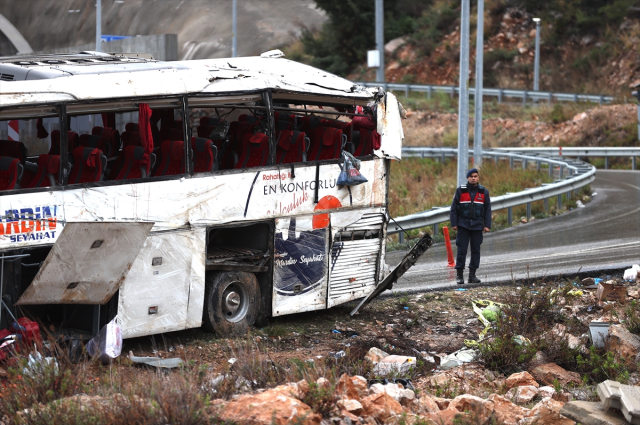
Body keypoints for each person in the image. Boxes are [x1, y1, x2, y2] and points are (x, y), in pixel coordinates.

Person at [449, 168, 491, 284]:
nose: (473, 178)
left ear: (478, 178)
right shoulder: (460, 191)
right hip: (463, 225)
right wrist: (454, 223)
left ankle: (472, 275)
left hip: (477, 226)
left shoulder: (483, 192)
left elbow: (487, 210)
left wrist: (487, 225)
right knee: (461, 250)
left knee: (476, 250)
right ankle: (460, 276)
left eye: (475, 176)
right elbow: (453, 209)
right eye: (471, 176)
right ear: (468, 178)